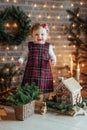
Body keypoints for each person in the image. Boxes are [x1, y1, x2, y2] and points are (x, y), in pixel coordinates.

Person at [18, 22, 56, 101]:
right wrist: (20, 60)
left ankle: (45, 100)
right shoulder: (30, 46)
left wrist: (53, 59)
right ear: (32, 35)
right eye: (36, 34)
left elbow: (53, 55)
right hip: (31, 71)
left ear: (46, 35)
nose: (39, 36)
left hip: (44, 70)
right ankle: (28, 99)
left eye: (42, 34)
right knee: (29, 85)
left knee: (45, 86)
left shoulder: (48, 46)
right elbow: (23, 56)